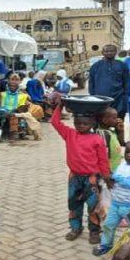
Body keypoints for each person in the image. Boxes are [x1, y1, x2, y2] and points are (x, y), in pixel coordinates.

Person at [51, 94, 111, 244]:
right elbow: (55, 122)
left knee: (93, 206)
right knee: (74, 204)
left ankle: (95, 231)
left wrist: (107, 176)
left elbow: (103, 160)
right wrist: (60, 105)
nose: (80, 126)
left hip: (92, 178)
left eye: (84, 123)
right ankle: (75, 228)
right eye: (77, 123)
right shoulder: (70, 134)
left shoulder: (97, 139)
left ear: (92, 123)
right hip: (74, 177)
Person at [93, 141, 130, 256]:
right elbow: (116, 178)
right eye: (128, 151)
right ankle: (106, 245)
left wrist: (116, 177)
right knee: (108, 225)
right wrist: (110, 180)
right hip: (115, 203)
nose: (129, 155)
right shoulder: (122, 164)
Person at [89, 44, 130, 120]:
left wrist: (126, 97)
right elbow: (91, 83)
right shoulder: (95, 66)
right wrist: (93, 97)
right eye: (106, 51)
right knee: (100, 123)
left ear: (116, 52)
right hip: (101, 101)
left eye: (112, 51)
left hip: (118, 100)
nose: (109, 53)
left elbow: (127, 82)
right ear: (102, 52)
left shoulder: (122, 65)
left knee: (118, 122)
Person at [0, 74, 29, 140]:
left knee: (18, 115)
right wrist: (6, 111)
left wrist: (14, 111)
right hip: (4, 111)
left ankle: (17, 133)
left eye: (16, 80)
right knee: (5, 114)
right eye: (12, 80)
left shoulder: (23, 95)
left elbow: (21, 106)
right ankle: (9, 133)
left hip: (16, 111)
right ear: (8, 84)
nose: (12, 85)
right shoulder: (3, 94)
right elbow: (1, 105)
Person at [96, 107, 124, 173]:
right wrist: (106, 170)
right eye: (114, 118)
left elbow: (121, 143)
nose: (117, 120)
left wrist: (120, 131)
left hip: (114, 166)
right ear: (105, 120)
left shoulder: (111, 131)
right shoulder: (103, 133)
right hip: (108, 169)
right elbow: (105, 154)